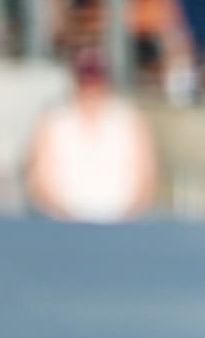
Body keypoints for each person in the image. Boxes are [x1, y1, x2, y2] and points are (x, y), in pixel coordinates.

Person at [24, 47, 158, 223]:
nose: (91, 89)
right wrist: (65, 217)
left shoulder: (129, 120)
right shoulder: (54, 121)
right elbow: (38, 179)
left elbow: (146, 177)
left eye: (96, 80)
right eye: (86, 80)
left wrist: (125, 219)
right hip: (63, 227)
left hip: (119, 227)